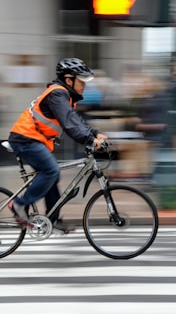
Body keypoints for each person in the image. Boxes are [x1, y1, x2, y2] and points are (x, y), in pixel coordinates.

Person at [7, 58, 107, 233]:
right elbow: (69, 124)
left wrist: (94, 133)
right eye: (81, 80)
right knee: (51, 170)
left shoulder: (65, 97)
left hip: (33, 140)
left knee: (53, 175)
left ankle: (53, 220)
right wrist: (90, 141)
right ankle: (19, 205)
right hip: (25, 139)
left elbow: (76, 121)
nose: (84, 85)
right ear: (69, 80)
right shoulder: (57, 94)